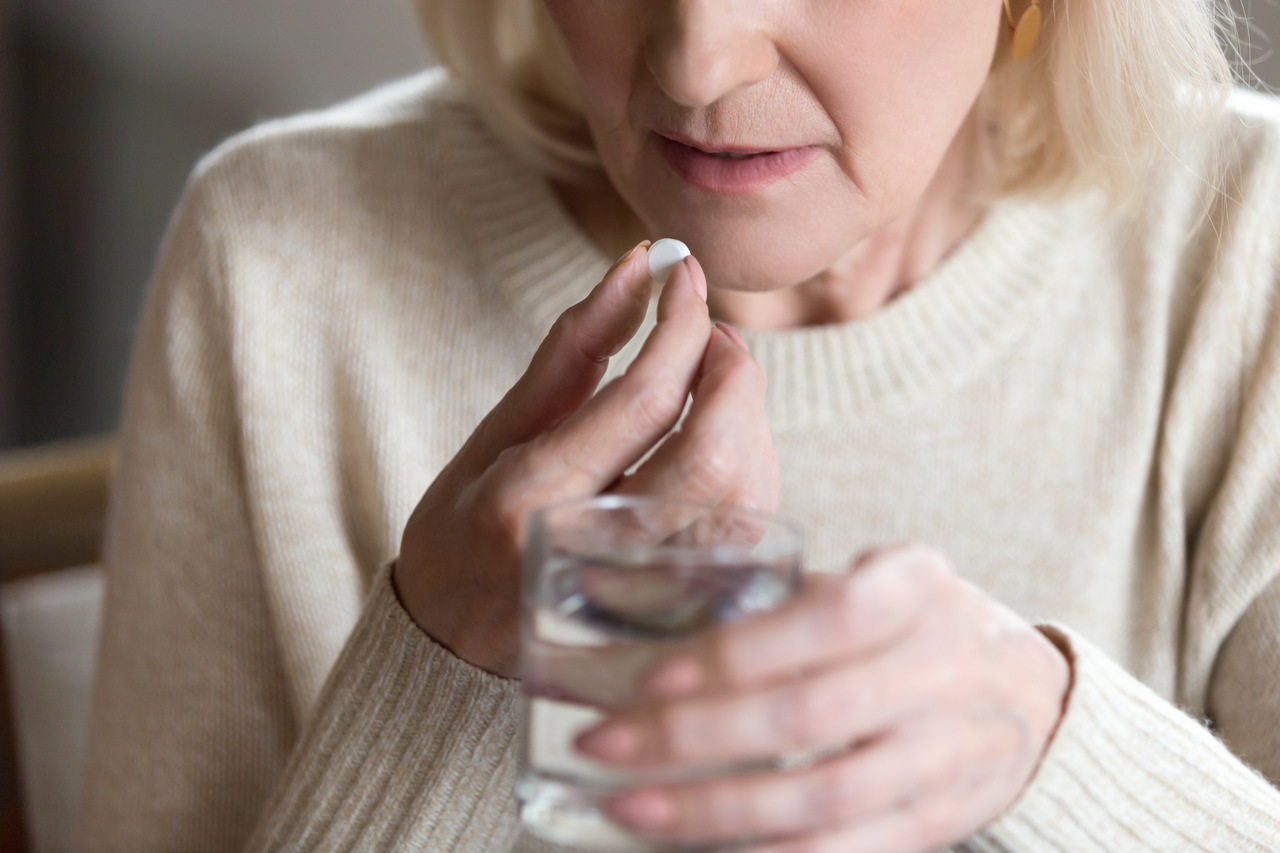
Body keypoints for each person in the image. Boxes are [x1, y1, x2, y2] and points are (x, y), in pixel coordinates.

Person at [79, 0, 1280, 850]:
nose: (698, 58)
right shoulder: (282, 259)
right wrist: (441, 669)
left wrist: (1048, 743)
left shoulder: (1242, 243)